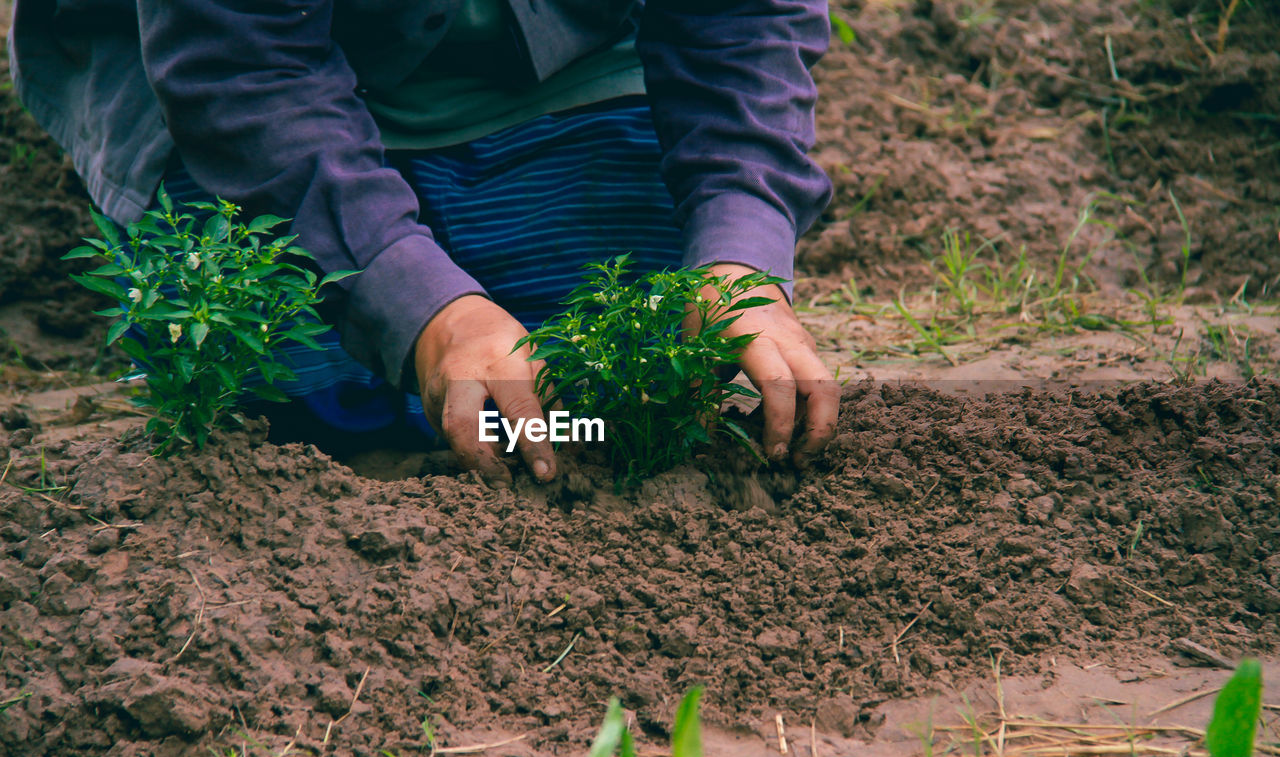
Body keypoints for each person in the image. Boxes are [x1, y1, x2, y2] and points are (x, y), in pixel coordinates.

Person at [8, 0, 839, 483]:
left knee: (608, 406)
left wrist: (739, 253)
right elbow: (241, 68)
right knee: (299, 422)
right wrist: (432, 314)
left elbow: (744, 16)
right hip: (221, 72)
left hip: (557, 58)